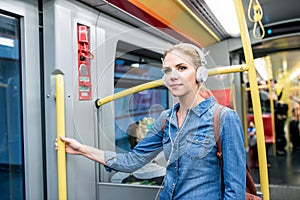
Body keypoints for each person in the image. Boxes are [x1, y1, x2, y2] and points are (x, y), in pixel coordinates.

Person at [56, 43, 246, 199]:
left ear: (200, 73)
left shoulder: (223, 118)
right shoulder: (166, 119)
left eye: (182, 68)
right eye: (167, 70)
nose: (173, 76)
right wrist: (83, 149)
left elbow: (234, 191)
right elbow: (132, 161)